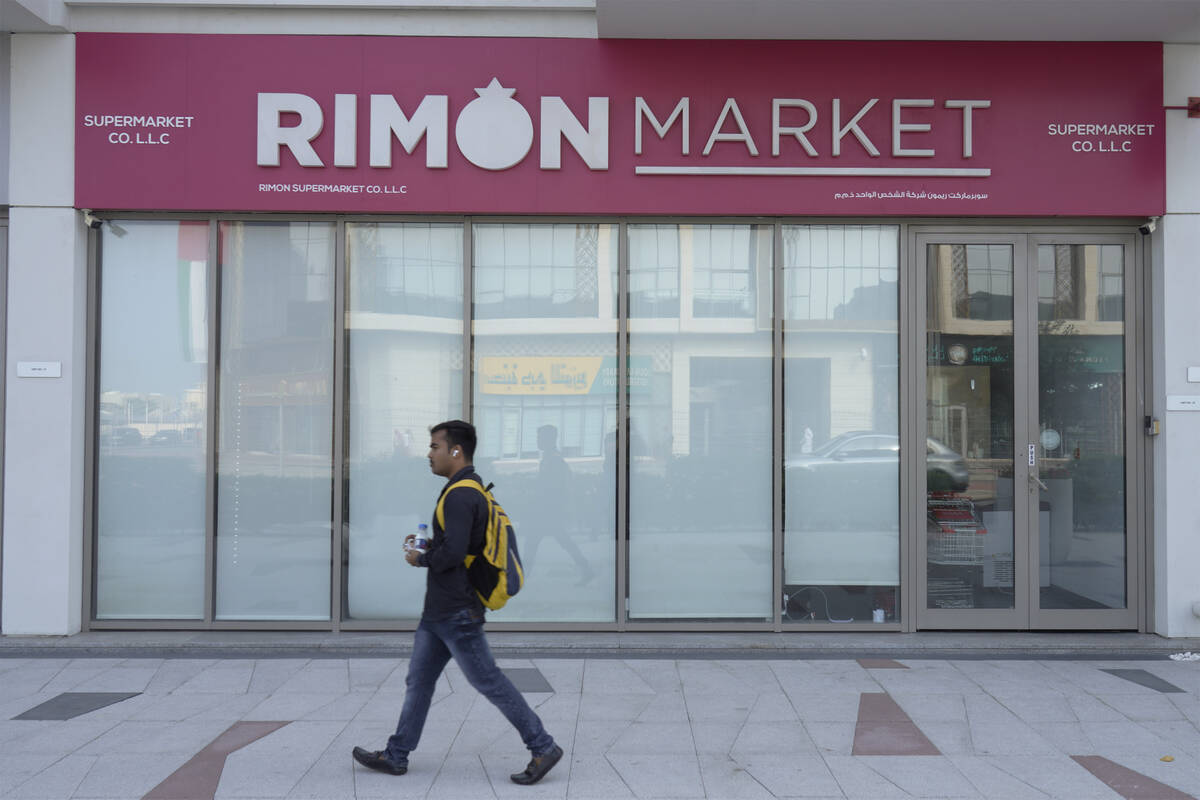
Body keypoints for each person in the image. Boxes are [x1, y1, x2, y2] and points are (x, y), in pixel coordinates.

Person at [352, 420, 563, 786]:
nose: (429, 453)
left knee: (491, 683)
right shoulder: (464, 490)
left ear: (456, 451)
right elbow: (459, 547)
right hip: (439, 613)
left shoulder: (462, 494)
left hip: (456, 613)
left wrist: (422, 558)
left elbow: (452, 553)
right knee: (418, 682)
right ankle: (397, 754)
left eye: (435, 446)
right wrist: (429, 547)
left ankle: (543, 746)